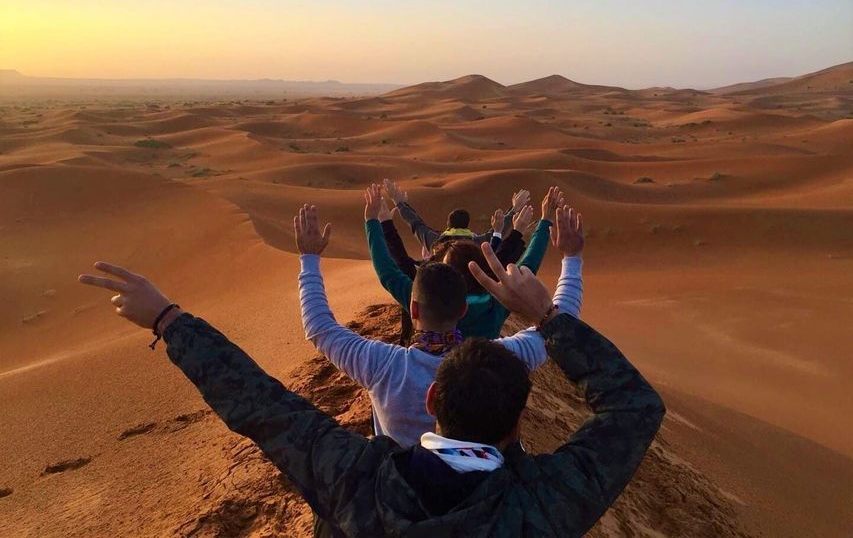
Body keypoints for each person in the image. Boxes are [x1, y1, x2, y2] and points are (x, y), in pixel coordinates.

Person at [76, 208, 664, 537]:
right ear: (518, 420)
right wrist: (551, 305)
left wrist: (170, 321)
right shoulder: (546, 505)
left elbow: (264, 399)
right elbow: (634, 407)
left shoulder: (356, 474)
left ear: (433, 399)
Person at [296, 201, 582, 448]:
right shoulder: (504, 361)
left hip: (400, 485)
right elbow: (561, 320)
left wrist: (310, 258)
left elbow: (320, 327)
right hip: (484, 484)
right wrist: (571, 256)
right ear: (462, 309)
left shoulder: (382, 365)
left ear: (413, 309)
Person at [366, 183, 566, 339]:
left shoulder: (424, 286)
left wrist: (384, 217)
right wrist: (531, 221)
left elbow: (391, 267)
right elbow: (524, 264)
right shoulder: (495, 304)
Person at [379, 200, 538, 345]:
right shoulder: (494, 304)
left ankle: (406, 338)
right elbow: (499, 258)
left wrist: (392, 213)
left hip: (425, 322)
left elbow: (414, 229)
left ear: (448, 224)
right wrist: (512, 226)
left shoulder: (433, 241)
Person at [384, 178, 530, 252]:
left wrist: (399, 203)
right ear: (467, 225)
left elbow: (415, 223)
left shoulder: (435, 242)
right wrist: (514, 209)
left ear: (448, 224)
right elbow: (499, 230)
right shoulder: (478, 242)